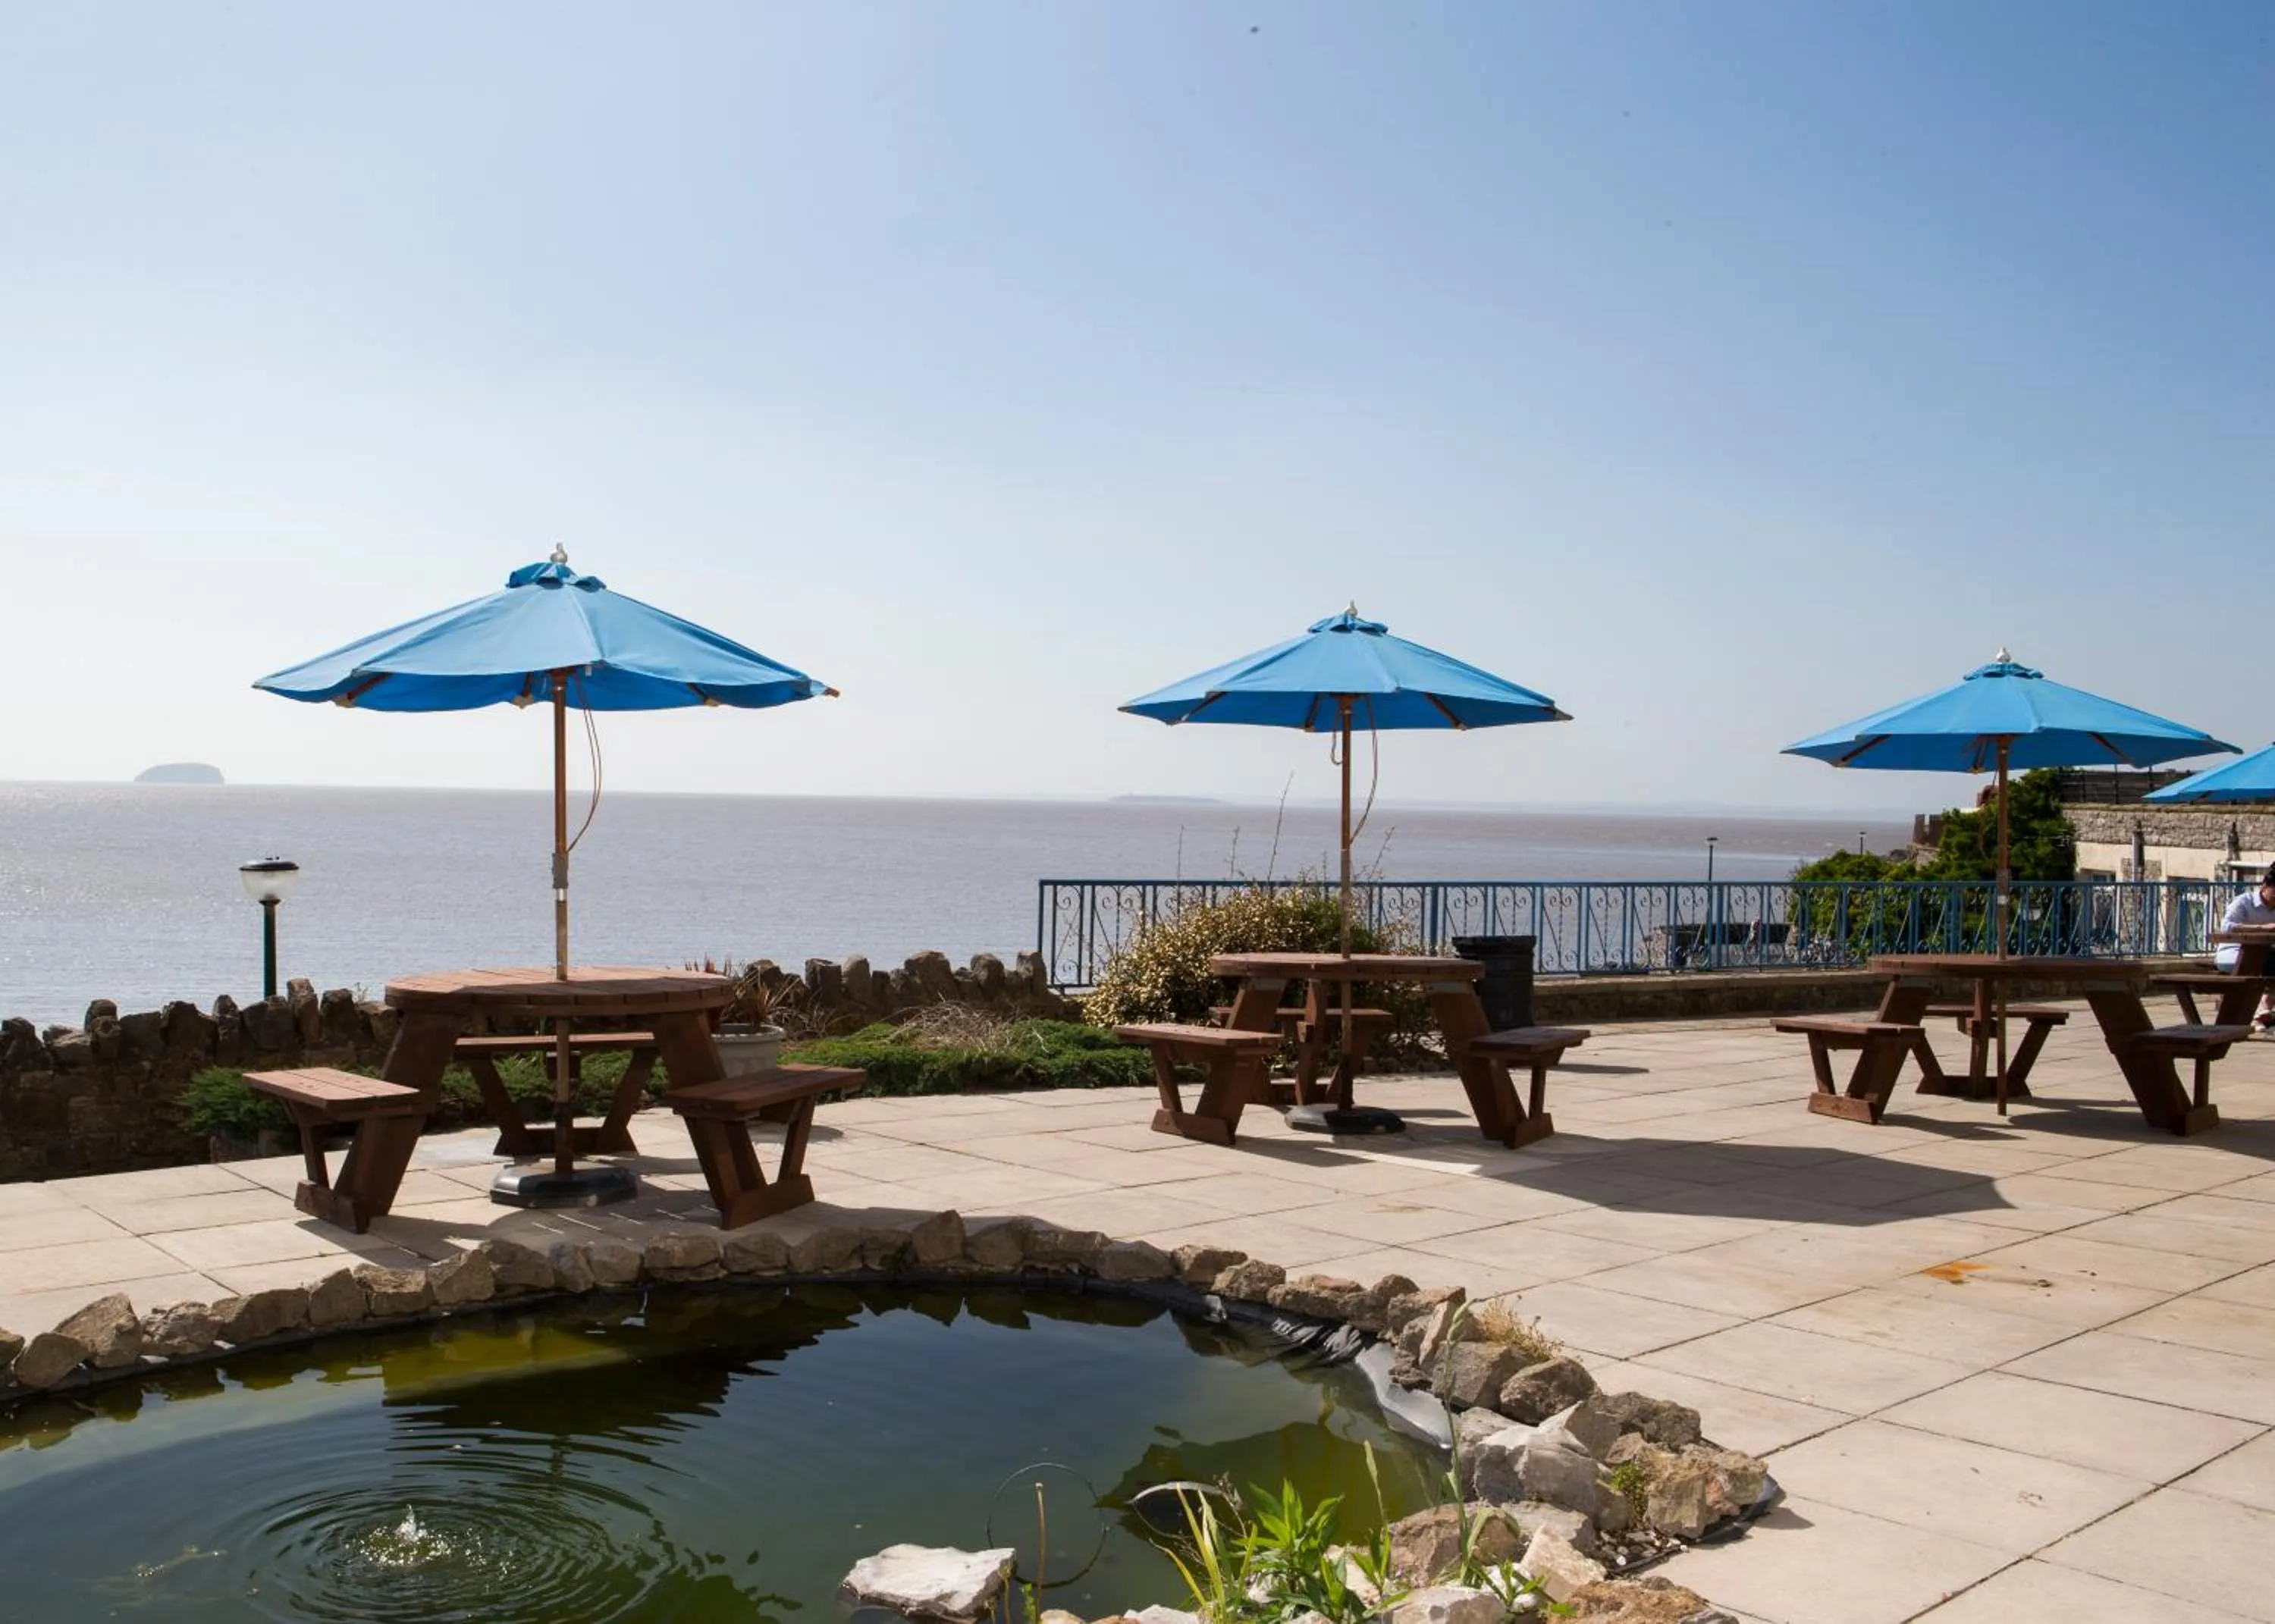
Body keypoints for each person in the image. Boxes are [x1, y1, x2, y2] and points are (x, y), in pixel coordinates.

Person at [2216, 864, 2275, 1032]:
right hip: (2232, 953)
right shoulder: (2244, 902)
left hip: (2264, 954)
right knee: (2256, 963)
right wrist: (2262, 928)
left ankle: (2264, 1011)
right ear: (2264, 886)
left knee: (2265, 962)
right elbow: (2227, 927)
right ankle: (2260, 1011)